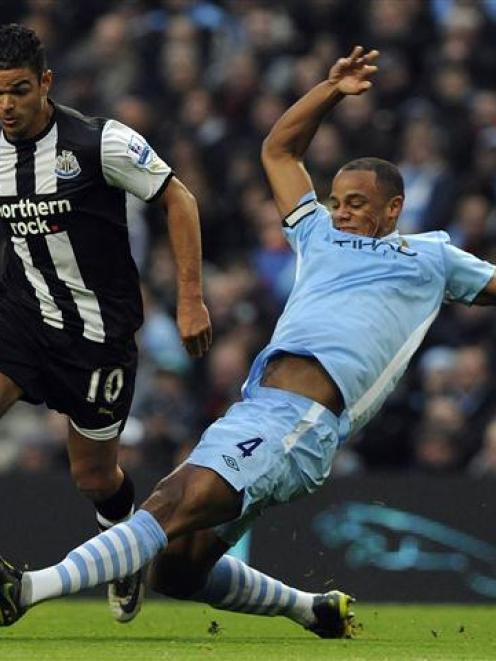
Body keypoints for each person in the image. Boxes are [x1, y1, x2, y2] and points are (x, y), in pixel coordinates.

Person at [2, 44, 496, 638]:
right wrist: (330, 90)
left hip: (304, 420)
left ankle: (27, 589)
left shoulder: (433, 258)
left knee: (172, 500)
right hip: (259, 407)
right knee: (176, 571)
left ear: (394, 209)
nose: (340, 213)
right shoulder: (317, 234)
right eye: (336, 201)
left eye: (357, 205)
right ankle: (310, 609)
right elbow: (279, 150)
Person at [0, 24, 211, 623]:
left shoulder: (101, 143)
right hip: (20, 318)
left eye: (18, 90)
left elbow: (180, 200)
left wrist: (190, 298)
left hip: (98, 337)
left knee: (93, 475)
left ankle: (123, 555)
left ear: (46, 83)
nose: (7, 106)